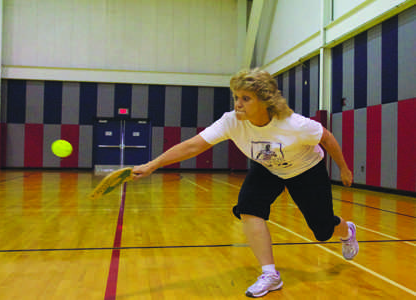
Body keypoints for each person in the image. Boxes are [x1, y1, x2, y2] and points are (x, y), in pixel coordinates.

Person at [132, 68, 359, 298]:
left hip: (306, 170)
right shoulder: (231, 122)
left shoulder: (294, 124)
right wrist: (153, 164)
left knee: (322, 229)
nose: (238, 104)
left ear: (264, 100)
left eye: (245, 98)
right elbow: (194, 146)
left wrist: (343, 168)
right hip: (268, 166)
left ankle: (347, 231)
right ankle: (270, 275)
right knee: (248, 207)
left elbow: (327, 138)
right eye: (236, 97)